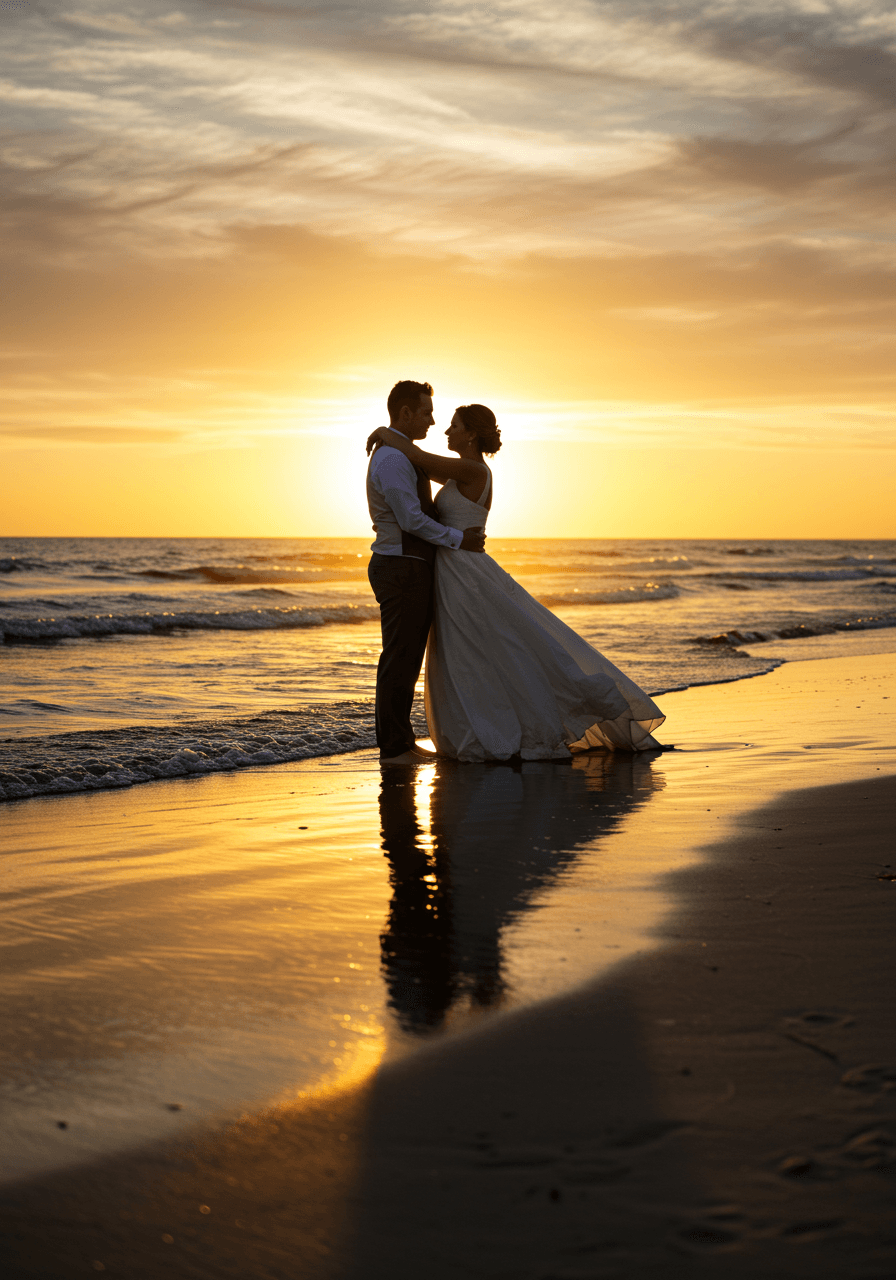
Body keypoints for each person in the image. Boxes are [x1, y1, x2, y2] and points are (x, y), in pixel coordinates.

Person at [366, 403, 665, 761]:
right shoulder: (463, 471)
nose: (446, 431)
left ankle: (487, 726)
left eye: (454, 425)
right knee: (474, 648)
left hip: (462, 568)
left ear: (472, 434)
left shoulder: (469, 469)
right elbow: (416, 462)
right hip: (456, 566)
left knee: (480, 647)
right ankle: (474, 722)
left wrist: (386, 433)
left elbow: (415, 455)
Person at [366, 380, 486, 764]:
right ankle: (394, 747)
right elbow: (411, 519)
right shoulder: (392, 459)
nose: (433, 421)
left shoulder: (404, 455)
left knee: (408, 656)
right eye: (426, 412)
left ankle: (401, 741)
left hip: (412, 566)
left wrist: (385, 433)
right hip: (400, 565)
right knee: (400, 656)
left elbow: (421, 465)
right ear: (405, 413)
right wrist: (457, 538)